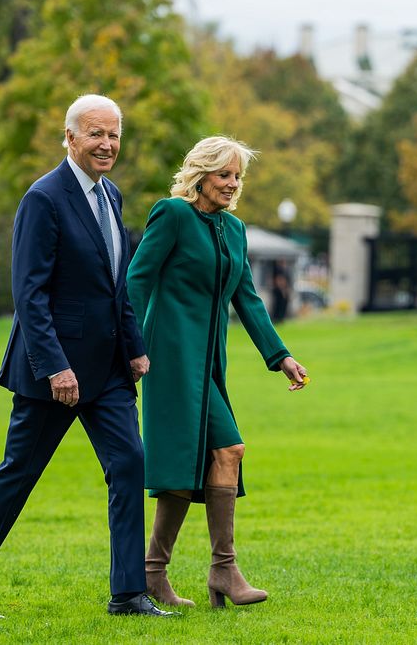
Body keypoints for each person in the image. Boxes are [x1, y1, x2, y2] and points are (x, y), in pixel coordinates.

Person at [0, 94, 174, 618]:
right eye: (96, 133)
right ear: (69, 138)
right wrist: (55, 366)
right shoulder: (43, 198)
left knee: (130, 463)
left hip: (109, 368)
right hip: (53, 373)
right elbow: (29, 294)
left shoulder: (111, 195)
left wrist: (134, 349)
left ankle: (128, 594)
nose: (107, 144)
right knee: (19, 473)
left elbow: (118, 285)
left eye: (114, 134)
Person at [127, 135, 308, 609]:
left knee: (210, 458)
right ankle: (213, 570)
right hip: (168, 358)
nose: (231, 184)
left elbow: (245, 297)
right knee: (215, 453)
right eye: (224, 174)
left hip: (208, 364)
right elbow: (138, 278)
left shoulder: (234, 229)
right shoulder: (173, 215)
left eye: (237, 177)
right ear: (201, 174)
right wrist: (132, 346)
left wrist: (280, 356)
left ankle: (173, 572)